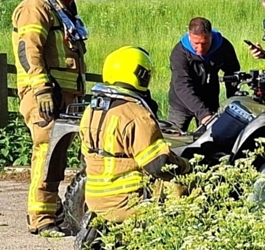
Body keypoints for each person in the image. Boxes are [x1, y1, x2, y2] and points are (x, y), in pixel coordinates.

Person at [10, 0, 90, 234]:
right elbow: (28, 50)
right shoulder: (36, 8)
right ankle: (41, 219)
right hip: (45, 94)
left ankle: (54, 212)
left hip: (65, 94)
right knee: (46, 151)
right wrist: (41, 87)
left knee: (58, 155)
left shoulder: (60, 10)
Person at [79, 46, 191, 226]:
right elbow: (159, 165)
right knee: (179, 183)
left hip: (92, 199)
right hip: (127, 202)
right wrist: (187, 167)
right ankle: (176, 233)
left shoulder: (91, 110)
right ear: (140, 75)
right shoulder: (137, 115)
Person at [168, 17, 241, 131]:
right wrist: (202, 114)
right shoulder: (179, 53)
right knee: (173, 142)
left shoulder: (223, 47)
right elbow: (182, 85)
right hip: (181, 104)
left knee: (210, 142)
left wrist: (232, 101)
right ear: (189, 36)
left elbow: (232, 74)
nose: (200, 49)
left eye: (204, 43)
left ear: (211, 36)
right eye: (196, 43)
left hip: (209, 101)